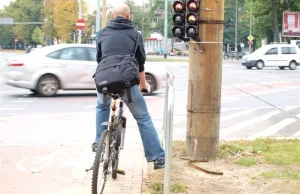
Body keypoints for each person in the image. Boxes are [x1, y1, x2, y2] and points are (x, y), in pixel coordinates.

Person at [92, 3, 165, 169]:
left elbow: (99, 58)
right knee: (143, 117)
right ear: (128, 16)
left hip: (104, 81)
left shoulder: (102, 33)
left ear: (112, 17)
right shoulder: (135, 34)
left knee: (101, 107)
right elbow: (140, 62)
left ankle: (98, 142)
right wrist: (143, 84)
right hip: (127, 82)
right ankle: (157, 157)